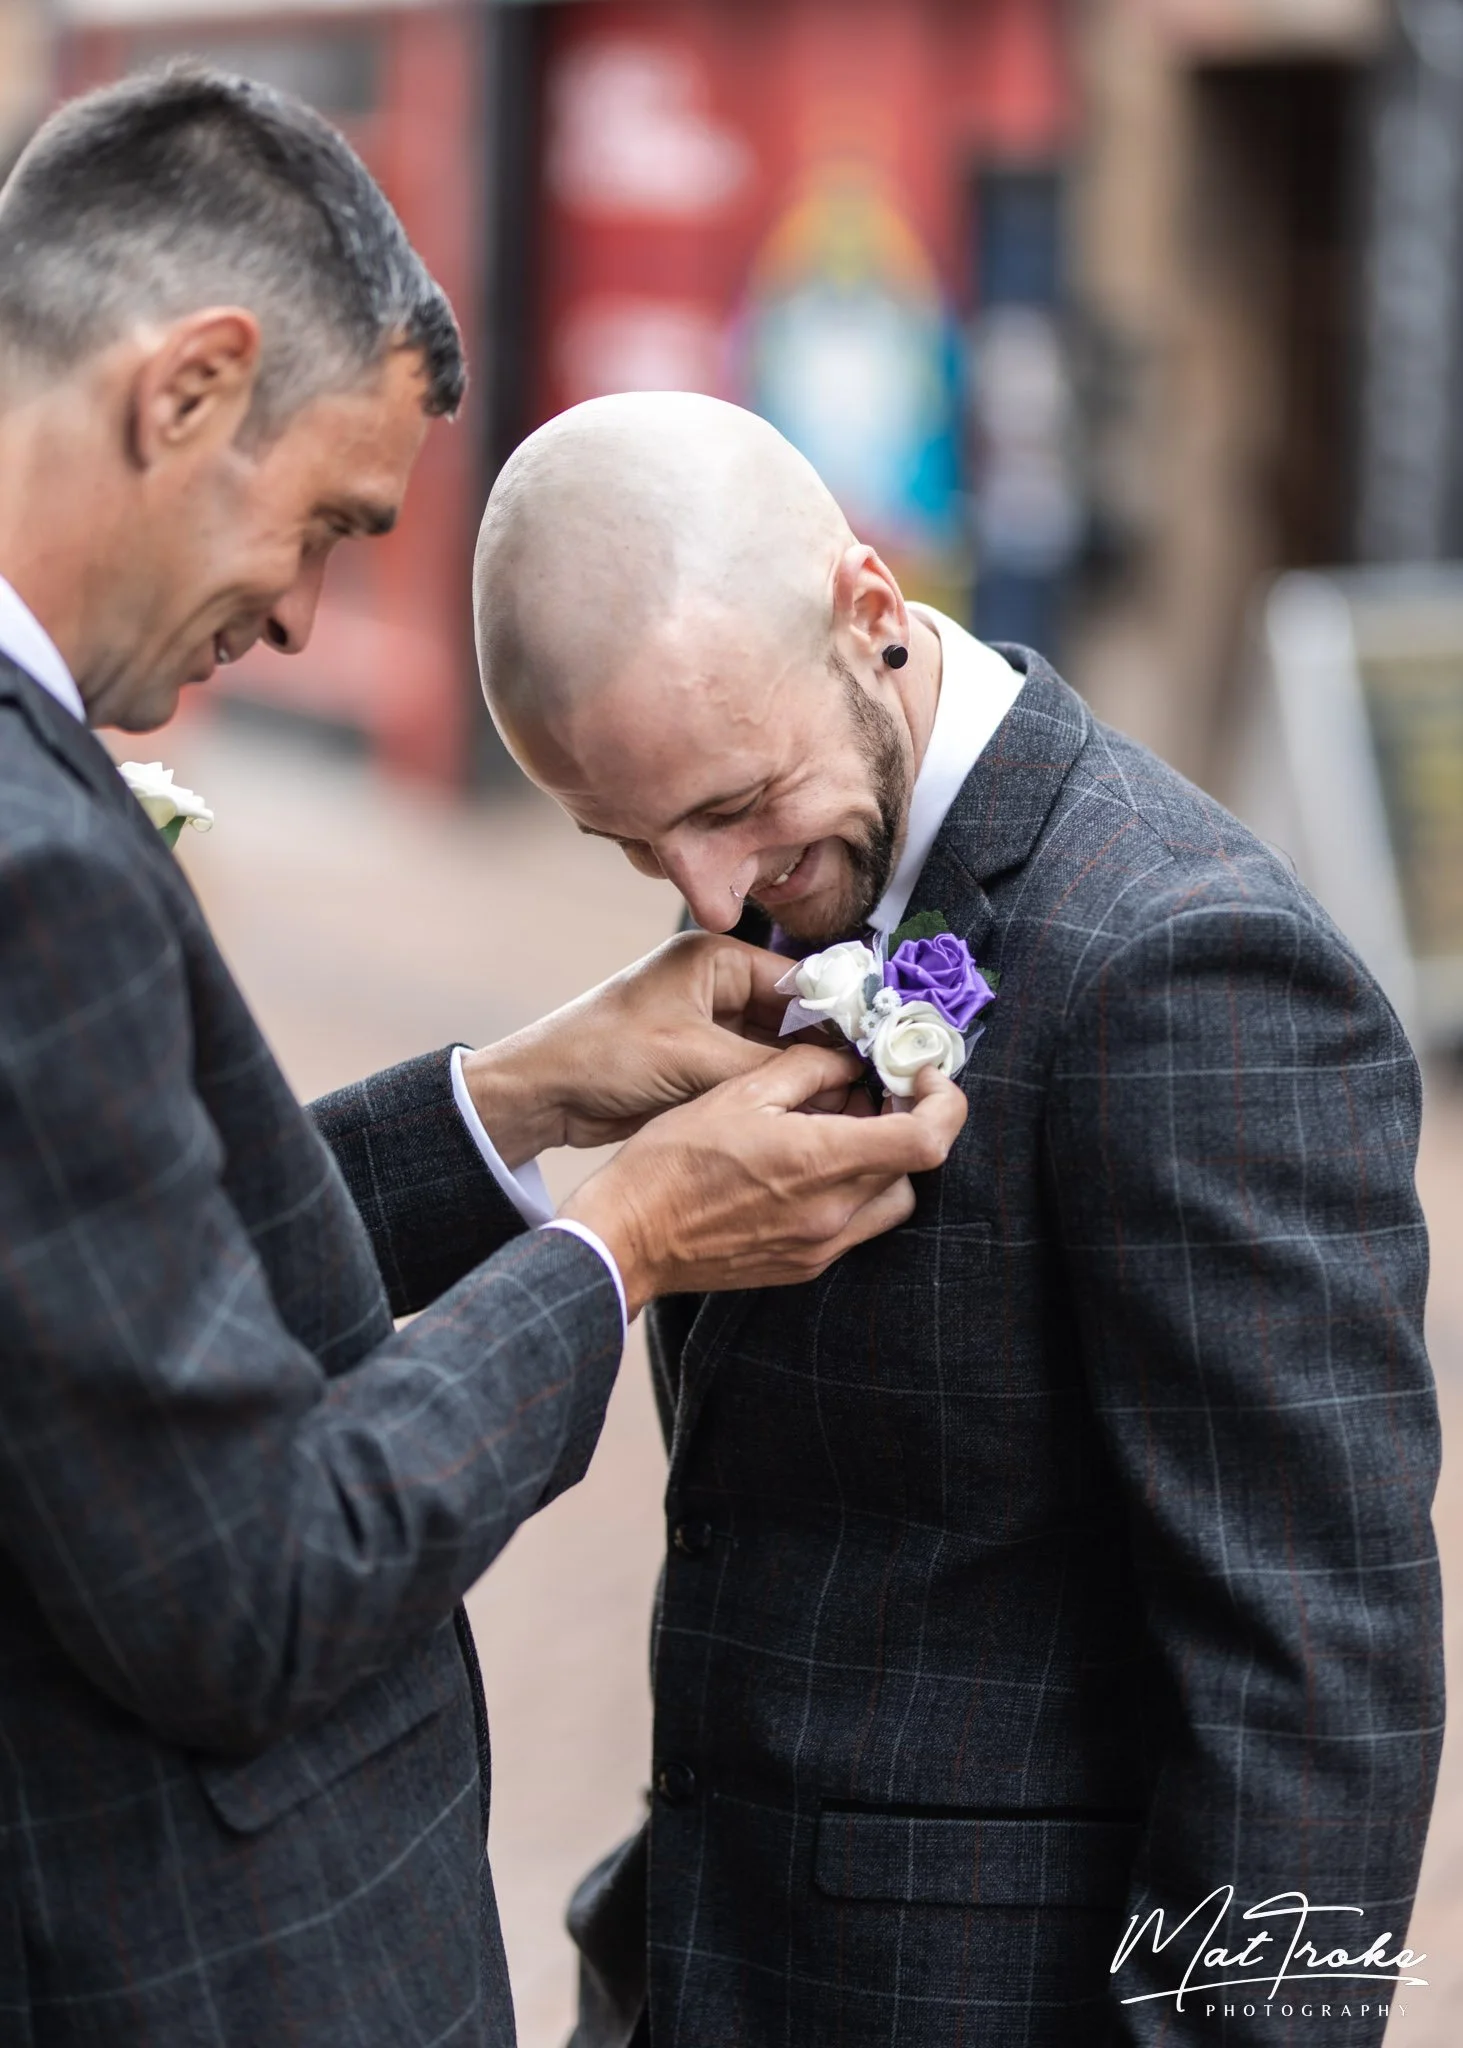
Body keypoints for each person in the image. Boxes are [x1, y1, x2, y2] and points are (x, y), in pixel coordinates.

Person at [0, 74, 968, 2047]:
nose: (300, 617)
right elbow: (258, 1584)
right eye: (324, 526)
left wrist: (517, 1095)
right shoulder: (34, 866)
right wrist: (622, 1243)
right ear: (189, 390)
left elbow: (102, 1294)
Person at [476, 391, 1445, 2048]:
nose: (706, 899)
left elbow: (1315, 1688)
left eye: (732, 802)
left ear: (869, 611)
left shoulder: (1189, 964)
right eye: (626, 840)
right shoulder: (779, 897)